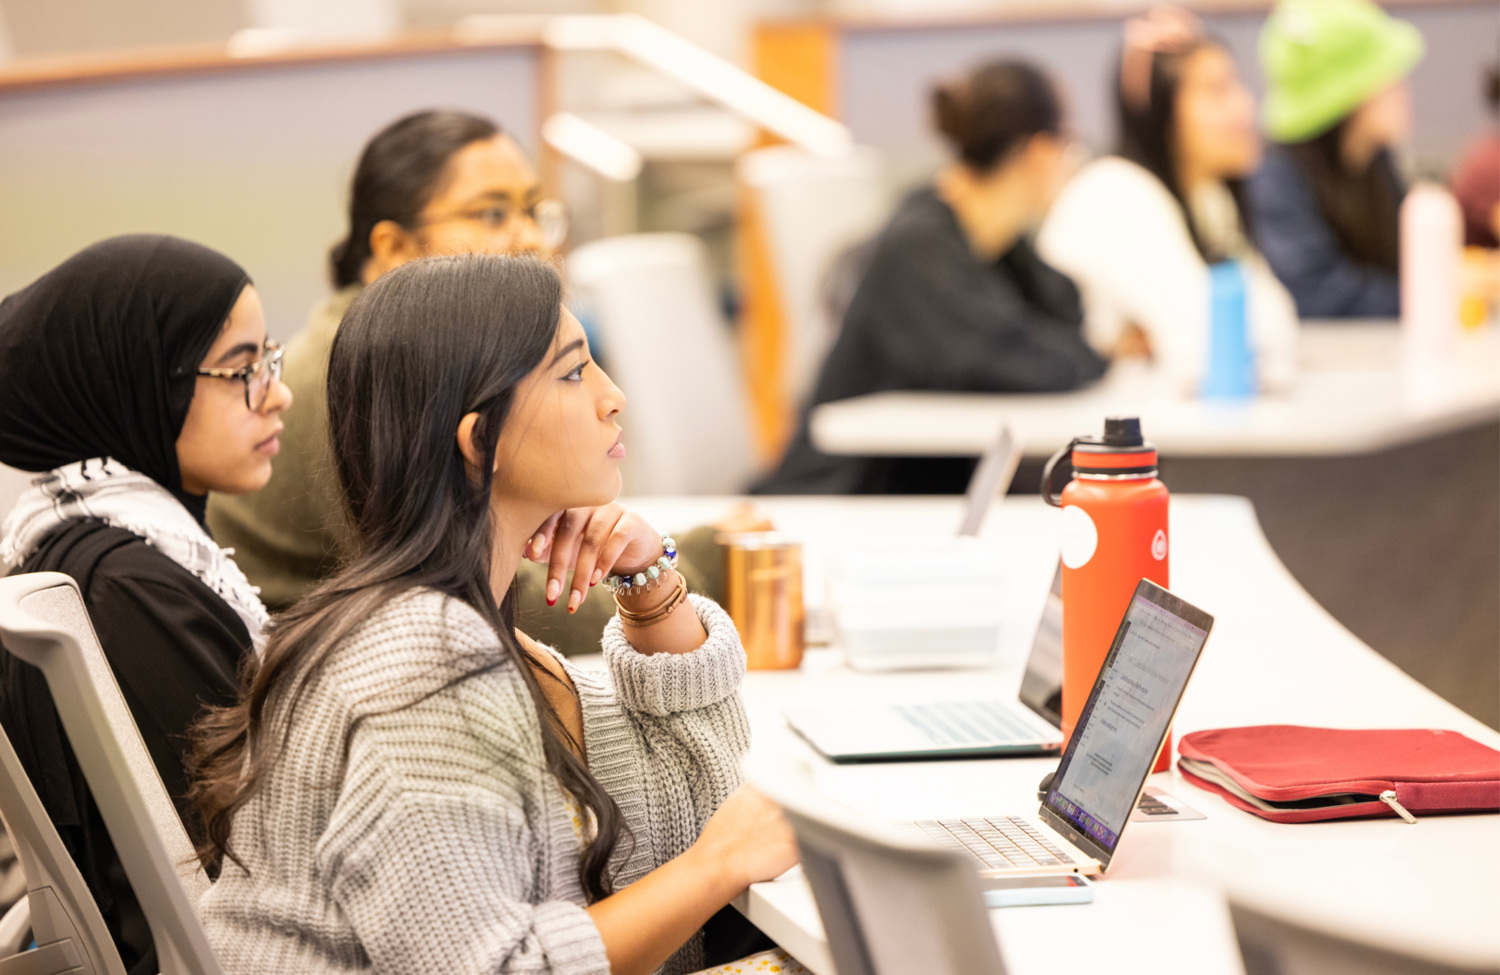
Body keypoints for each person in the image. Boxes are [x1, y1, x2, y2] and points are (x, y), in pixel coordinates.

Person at [190, 254, 800, 975]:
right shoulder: (424, 662)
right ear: (482, 440)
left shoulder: (464, 626)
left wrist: (644, 574)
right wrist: (717, 864)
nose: (615, 397)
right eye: (575, 372)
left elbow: (694, 797)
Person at [207, 109, 731, 654]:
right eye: (492, 213)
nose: (529, 236)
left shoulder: (416, 353)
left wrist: (650, 551)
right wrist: (697, 565)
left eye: (533, 210)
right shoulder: (365, 380)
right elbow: (507, 600)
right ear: (393, 248)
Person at [0, 235, 291, 974]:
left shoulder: (96, 546)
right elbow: (270, 832)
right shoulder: (131, 589)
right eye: (243, 370)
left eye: (270, 361)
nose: (277, 392)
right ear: (134, 381)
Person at [760, 59, 1106, 495]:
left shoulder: (985, 242)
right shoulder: (919, 248)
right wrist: (1098, 352)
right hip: (837, 497)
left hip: (906, 493)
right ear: (1039, 152)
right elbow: (1036, 364)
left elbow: (1063, 318)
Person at [1038, 6, 1298, 391]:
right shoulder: (1116, 192)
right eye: (1216, 90)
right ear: (1158, 111)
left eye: (1237, 85)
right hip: (1083, 438)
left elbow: (1279, 329)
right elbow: (1212, 348)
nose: (1245, 106)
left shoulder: (1209, 200)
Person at [1247, 0, 1424, 318]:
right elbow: (1318, 298)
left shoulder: (1372, 161)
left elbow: (1406, 262)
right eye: (1387, 73)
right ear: (1348, 94)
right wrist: (1437, 294)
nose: (1402, 87)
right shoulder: (1277, 177)